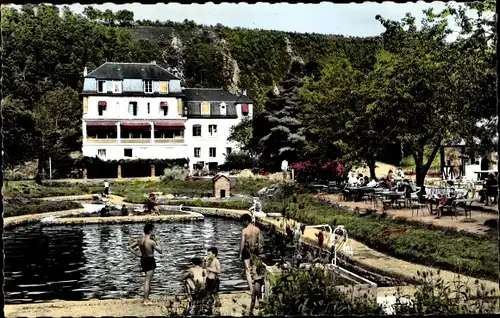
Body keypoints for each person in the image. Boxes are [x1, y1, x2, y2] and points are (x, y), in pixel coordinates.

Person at [128, 223, 163, 305]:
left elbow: (129, 247)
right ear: (150, 230)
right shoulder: (151, 242)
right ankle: (146, 300)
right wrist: (158, 242)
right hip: (150, 260)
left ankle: (146, 298)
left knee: (147, 280)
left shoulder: (140, 240)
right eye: (153, 230)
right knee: (148, 281)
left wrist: (137, 254)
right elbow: (160, 251)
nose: (154, 231)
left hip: (143, 259)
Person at [240, 213, 261, 293]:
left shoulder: (244, 230)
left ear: (246, 221)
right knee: (255, 269)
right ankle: (256, 287)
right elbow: (259, 242)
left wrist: (240, 253)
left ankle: (251, 289)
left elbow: (242, 243)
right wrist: (258, 252)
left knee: (247, 270)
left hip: (247, 250)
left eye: (243, 221)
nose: (242, 223)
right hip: (255, 250)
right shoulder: (257, 229)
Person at [204, 247, 221, 315]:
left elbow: (219, 271)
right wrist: (205, 262)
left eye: (209, 254)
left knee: (215, 293)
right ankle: (209, 309)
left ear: (214, 254)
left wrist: (209, 269)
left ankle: (217, 308)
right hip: (208, 280)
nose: (208, 255)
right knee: (208, 294)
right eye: (207, 254)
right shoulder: (209, 261)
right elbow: (204, 268)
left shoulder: (216, 261)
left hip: (214, 280)